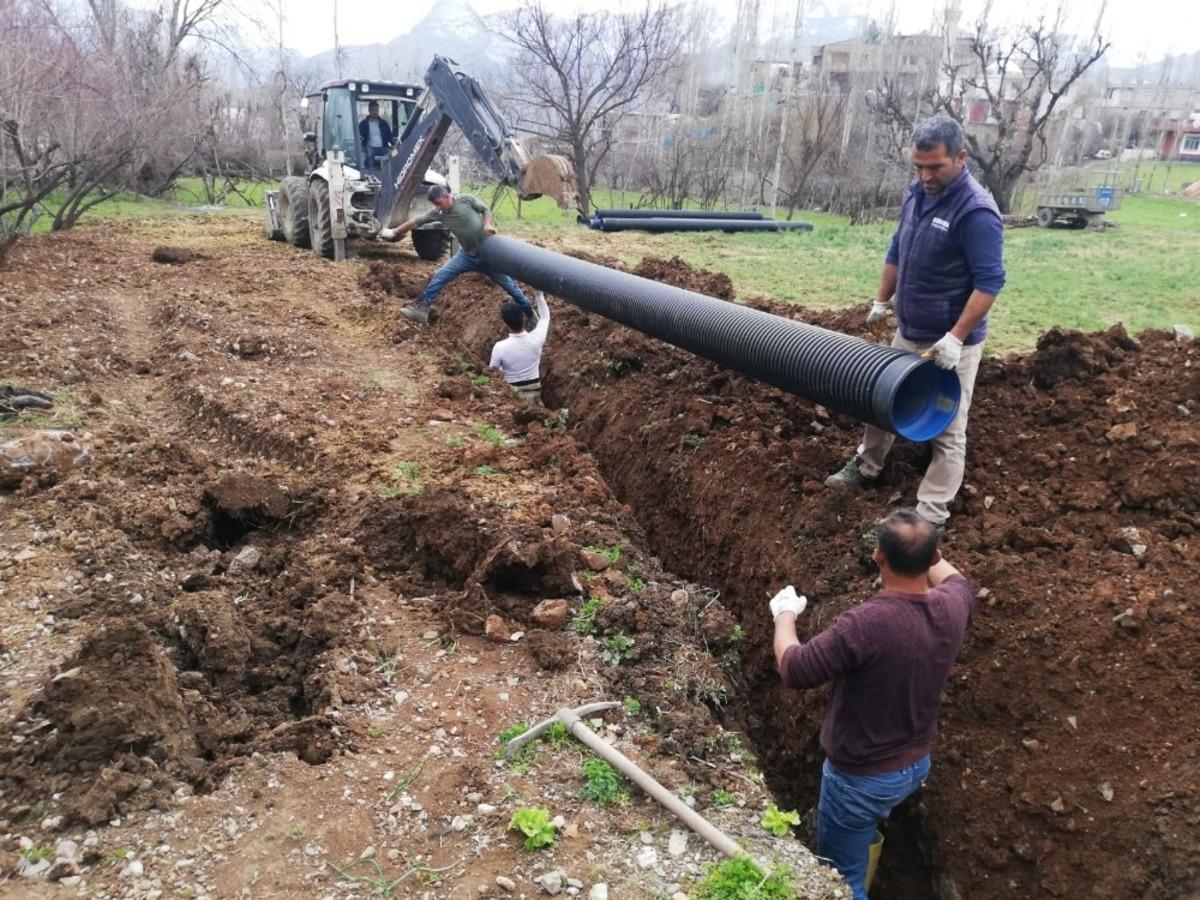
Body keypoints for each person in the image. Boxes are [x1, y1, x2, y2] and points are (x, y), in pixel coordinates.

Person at [769, 509, 974, 900]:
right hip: (914, 767)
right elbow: (956, 579)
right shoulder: (954, 605)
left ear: (878, 557)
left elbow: (795, 669)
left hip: (860, 779)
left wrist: (785, 616)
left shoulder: (867, 624)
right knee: (865, 829)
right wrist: (924, 540)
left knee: (840, 880)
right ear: (934, 559)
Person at [824, 114, 1005, 530]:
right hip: (909, 330)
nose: (924, 175)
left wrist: (956, 338)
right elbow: (897, 250)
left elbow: (990, 282)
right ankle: (867, 466)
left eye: (934, 167)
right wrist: (880, 300)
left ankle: (931, 514)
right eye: (918, 166)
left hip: (950, 343)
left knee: (947, 428)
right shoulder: (916, 194)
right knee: (880, 400)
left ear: (960, 158)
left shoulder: (976, 212)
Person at [381, 186, 537, 326]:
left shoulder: (466, 200)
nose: (437, 207)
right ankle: (422, 310)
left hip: (488, 255)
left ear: (447, 197)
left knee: (510, 287)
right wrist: (394, 232)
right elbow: (415, 222)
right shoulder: (439, 213)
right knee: (440, 275)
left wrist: (487, 224)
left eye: (439, 203)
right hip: (467, 255)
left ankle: (531, 315)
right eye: (435, 205)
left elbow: (485, 210)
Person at [490, 291, 550, 405]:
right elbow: (545, 318)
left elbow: (493, 374)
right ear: (523, 318)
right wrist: (539, 295)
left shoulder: (500, 348)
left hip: (512, 398)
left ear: (505, 324)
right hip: (535, 395)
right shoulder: (536, 339)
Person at [358, 101, 394, 169]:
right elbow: (360, 136)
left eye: (376, 110)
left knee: (392, 153)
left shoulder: (384, 123)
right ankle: (371, 170)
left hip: (382, 147)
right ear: (369, 111)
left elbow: (390, 136)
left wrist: (394, 144)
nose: (375, 112)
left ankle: (387, 170)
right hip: (370, 147)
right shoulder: (363, 124)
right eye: (373, 110)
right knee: (369, 153)